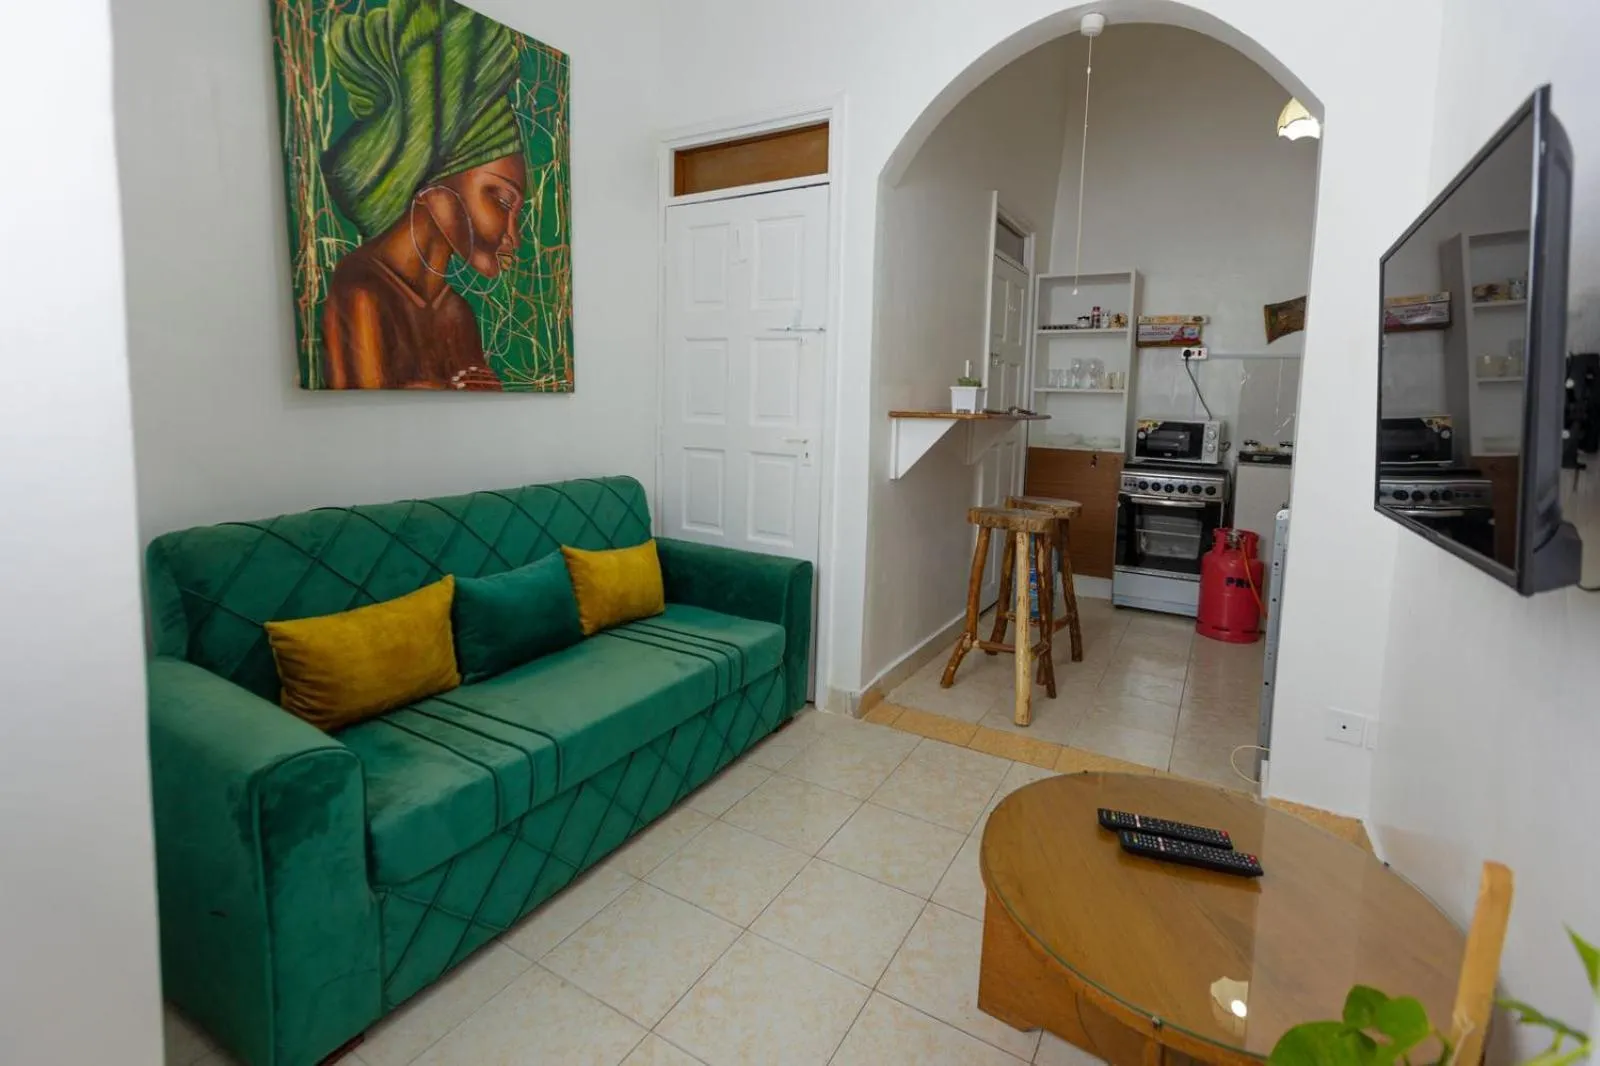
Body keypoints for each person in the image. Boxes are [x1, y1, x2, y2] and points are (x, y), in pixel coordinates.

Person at [317, 0, 526, 390]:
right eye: (500, 201)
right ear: (435, 189)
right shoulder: (360, 289)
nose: (513, 236)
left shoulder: (457, 313)